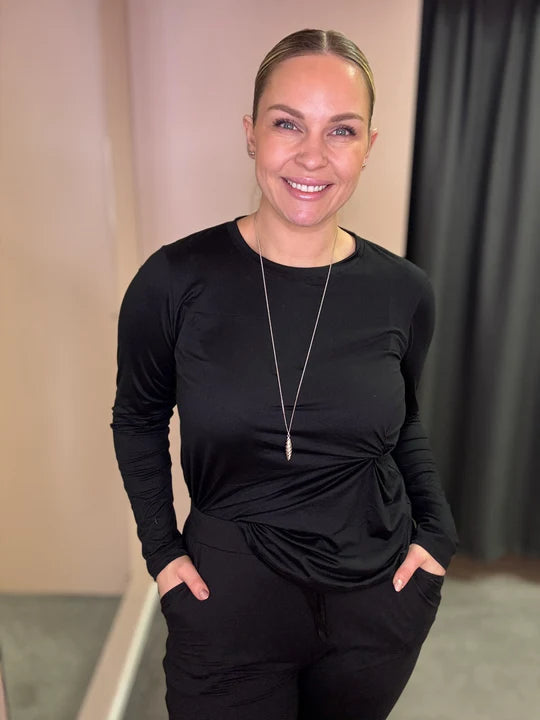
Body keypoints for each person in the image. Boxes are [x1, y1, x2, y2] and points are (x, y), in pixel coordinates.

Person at [111, 28, 458, 720]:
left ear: (368, 147)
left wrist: (437, 532)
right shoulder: (175, 280)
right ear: (251, 133)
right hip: (227, 600)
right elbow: (138, 418)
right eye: (287, 123)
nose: (312, 155)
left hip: (376, 602)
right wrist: (162, 552)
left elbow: (404, 423)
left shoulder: (404, 291)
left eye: (341, 130)